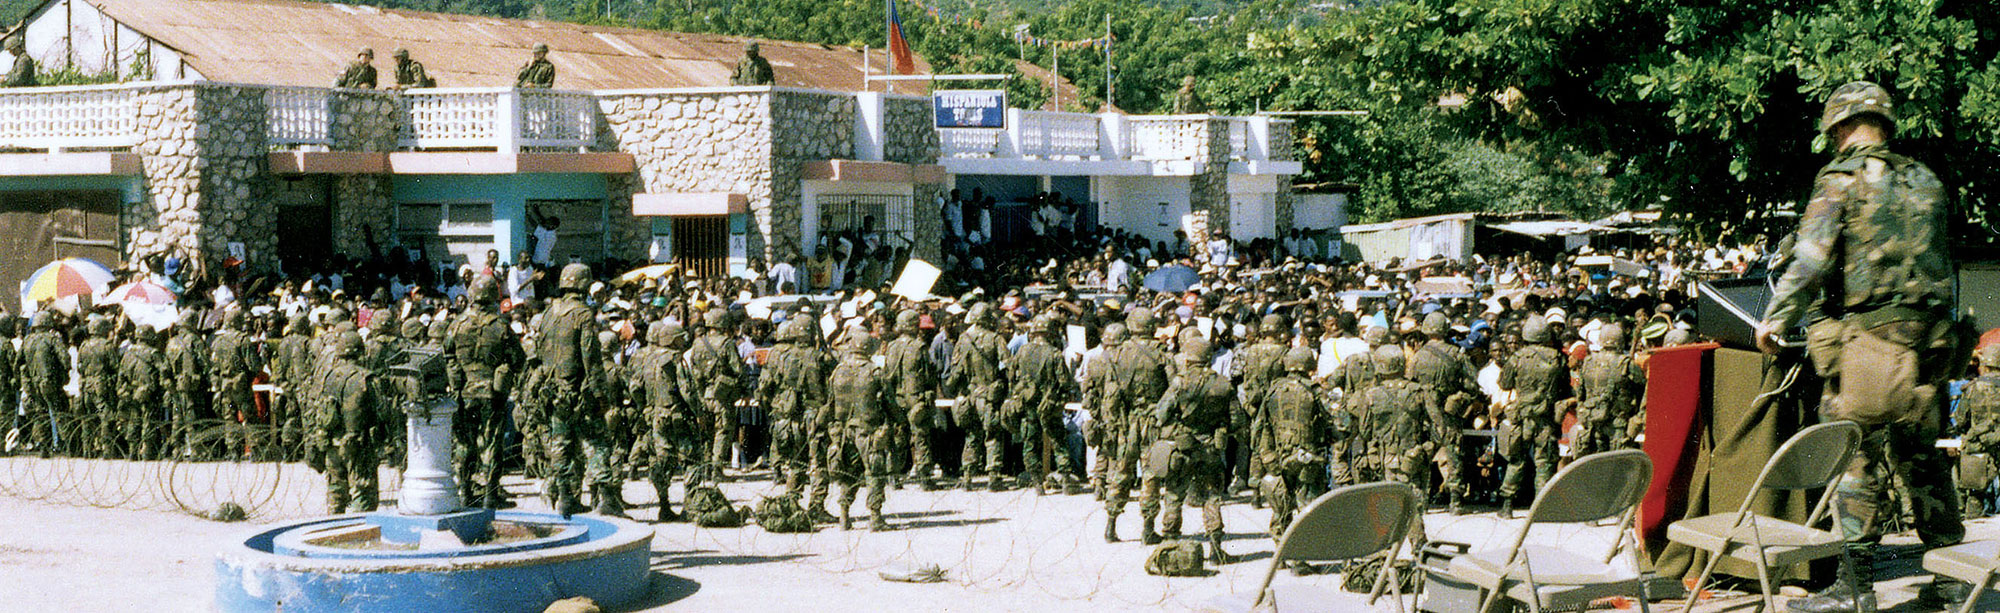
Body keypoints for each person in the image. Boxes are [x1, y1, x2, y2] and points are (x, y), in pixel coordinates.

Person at [1761, 81, 1967, 613]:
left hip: (1874, 340)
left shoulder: (1842, 178)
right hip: (1931, 342)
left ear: (1838, 127)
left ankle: (1853, 587)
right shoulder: (1927, 180)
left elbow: (1811, 257)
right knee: (1922, 458)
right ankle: (1952, 578)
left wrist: (1773, 318)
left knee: (1856, 457)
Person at [1149, 330, 1234, 564]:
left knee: (1175, 495)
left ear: (1187, 358)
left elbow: (1162, 413)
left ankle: (1169, 543)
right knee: (1212, 496)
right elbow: (1237, 419)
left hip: (1183, 447)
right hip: (1210, 449)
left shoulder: (1180, 382)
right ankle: (1216, 549)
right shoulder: (1223, 384)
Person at [444, 275, 525, 510]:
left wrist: (457, 377)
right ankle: (490, 495)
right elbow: (518, 360)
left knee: (464, 445)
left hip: (464, 393)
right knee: (492, 444)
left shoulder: (456, 325)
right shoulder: (500, 326)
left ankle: (465, 493)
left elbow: (447, 355)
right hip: (492, 393)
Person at [536, 263, 607, 517]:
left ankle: (564, 496)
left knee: (561, 444)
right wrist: (600, 394)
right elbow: (591, 357)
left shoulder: (548, 313)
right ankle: (605, 499)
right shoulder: (583, 314)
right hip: (576, 389)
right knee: (598, 442)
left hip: (551, 388)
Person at [1103, 308, 1174, 543]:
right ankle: (1147, 528)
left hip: (1128, 421)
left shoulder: (1117, 354)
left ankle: (1111, 524)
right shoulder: (1161, 353)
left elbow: (1111, 393)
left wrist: (1115, 422)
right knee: (1150, 473)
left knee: (1121, 471)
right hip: (1153, 421)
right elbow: (1174, 388)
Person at [1260, 346, 1329, 556]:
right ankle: (1300, 557)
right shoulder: (1315, 391)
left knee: (1281, 504)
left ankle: (1280, 551)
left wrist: (1267, 454)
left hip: (1280, 455)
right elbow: (1337, 423)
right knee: (1304, 506)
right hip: (1308, 456)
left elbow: (1261, 426)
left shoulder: (1273, 390)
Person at [1497, 315, 1567, 518]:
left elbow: (1505, 383)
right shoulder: (1557, 358)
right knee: (1543, 462)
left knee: (1516, 461)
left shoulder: (1517, 358)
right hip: (1545, 418)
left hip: (1521, 416)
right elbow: (1563, 385)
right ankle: (1540, 508)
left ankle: (1507, 506)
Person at [1411, 311, 1480, 513]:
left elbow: (1410, 383)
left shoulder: (1418, 356)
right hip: (1449, 414)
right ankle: (1455, 501)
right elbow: (1472, 385)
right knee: (1454, 456)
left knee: (1423, 457)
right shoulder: (1457, 354)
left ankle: (1422, 501)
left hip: (1425, 413)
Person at [827, 328, 893, 530]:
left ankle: (844, 515)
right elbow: (889, 402)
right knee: (874, 471)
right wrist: (898, 422)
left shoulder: (838, 371)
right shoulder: (874, 372)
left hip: (844, 429)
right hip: (868, 430)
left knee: (849, 472)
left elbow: (830, 403)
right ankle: (875, 516)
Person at [632, 320, 695, 522]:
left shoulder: (648, 359)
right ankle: (689, 507)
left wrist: (645, 406)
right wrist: (699, 412)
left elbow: (635, 387)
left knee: (662, 461)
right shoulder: (676, 359)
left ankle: (664, 505)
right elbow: (686, 390)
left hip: (656, 415)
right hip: (678, 415)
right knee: (691, 458)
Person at [946, 302, 1009, 490]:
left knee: (971, 435)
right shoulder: (996, 339)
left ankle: (967, 476)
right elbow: (1007, 364)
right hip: (989, 394)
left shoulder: (963, 340)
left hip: (970, 394)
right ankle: (993, 476)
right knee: (993, 435)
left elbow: (955, 372)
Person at [320, 331, 380, 513]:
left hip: (332, 443)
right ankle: (359, 533)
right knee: (363, 493)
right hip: (359, 444)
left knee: (336, 492)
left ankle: (332, 531)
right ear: (361, 351)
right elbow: (381, 411)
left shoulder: (329, 376)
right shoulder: (366, 377)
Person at [882, 310, 940, 490]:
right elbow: (929, 374)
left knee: (898, 436)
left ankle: (894, 475)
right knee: (920, 436)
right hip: (915, 397)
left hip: (896, 397)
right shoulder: (919, 346)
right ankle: (924, 477)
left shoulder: (891, 346)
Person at [1575, 322, 1645, 457]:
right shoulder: (1626, 363)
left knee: (1596, 463)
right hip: (1618, 423)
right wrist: (1638, 415)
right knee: (1618, 465)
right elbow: (1643, 388)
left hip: (1592, 422)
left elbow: (1580, 393)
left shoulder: (1588, 362)